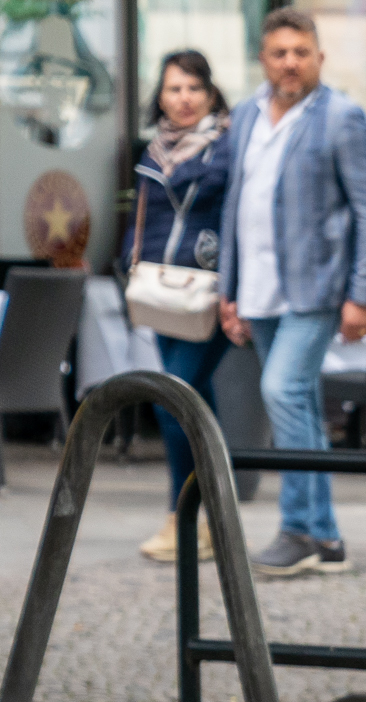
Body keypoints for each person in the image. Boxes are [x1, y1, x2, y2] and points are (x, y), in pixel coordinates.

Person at [216, 8, 366, 578]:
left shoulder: (342, 118)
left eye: (300, 52)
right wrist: (230, 290)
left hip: (316, 289)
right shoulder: (245, 117)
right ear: (263, 60)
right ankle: (326, 538)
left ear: (319, 57)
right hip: (260, 292)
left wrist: (361, 295)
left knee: (282, 390)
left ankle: (296, 527)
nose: (289, 62)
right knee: (303, 409)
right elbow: (234, 207)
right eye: (278, 53)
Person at [132, 50, 231, 563]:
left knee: (173, 398)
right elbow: (145, 219)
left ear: (210, 94)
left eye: (193, 88)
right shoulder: (153, 151)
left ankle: (184, 515)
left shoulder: (227, 148)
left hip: (208, 290)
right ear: (161, 96)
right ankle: (214, 518)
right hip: (161, 289)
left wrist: (236, 287)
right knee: (197, 401)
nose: (184, 98)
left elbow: (239, 220)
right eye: (174, 89)